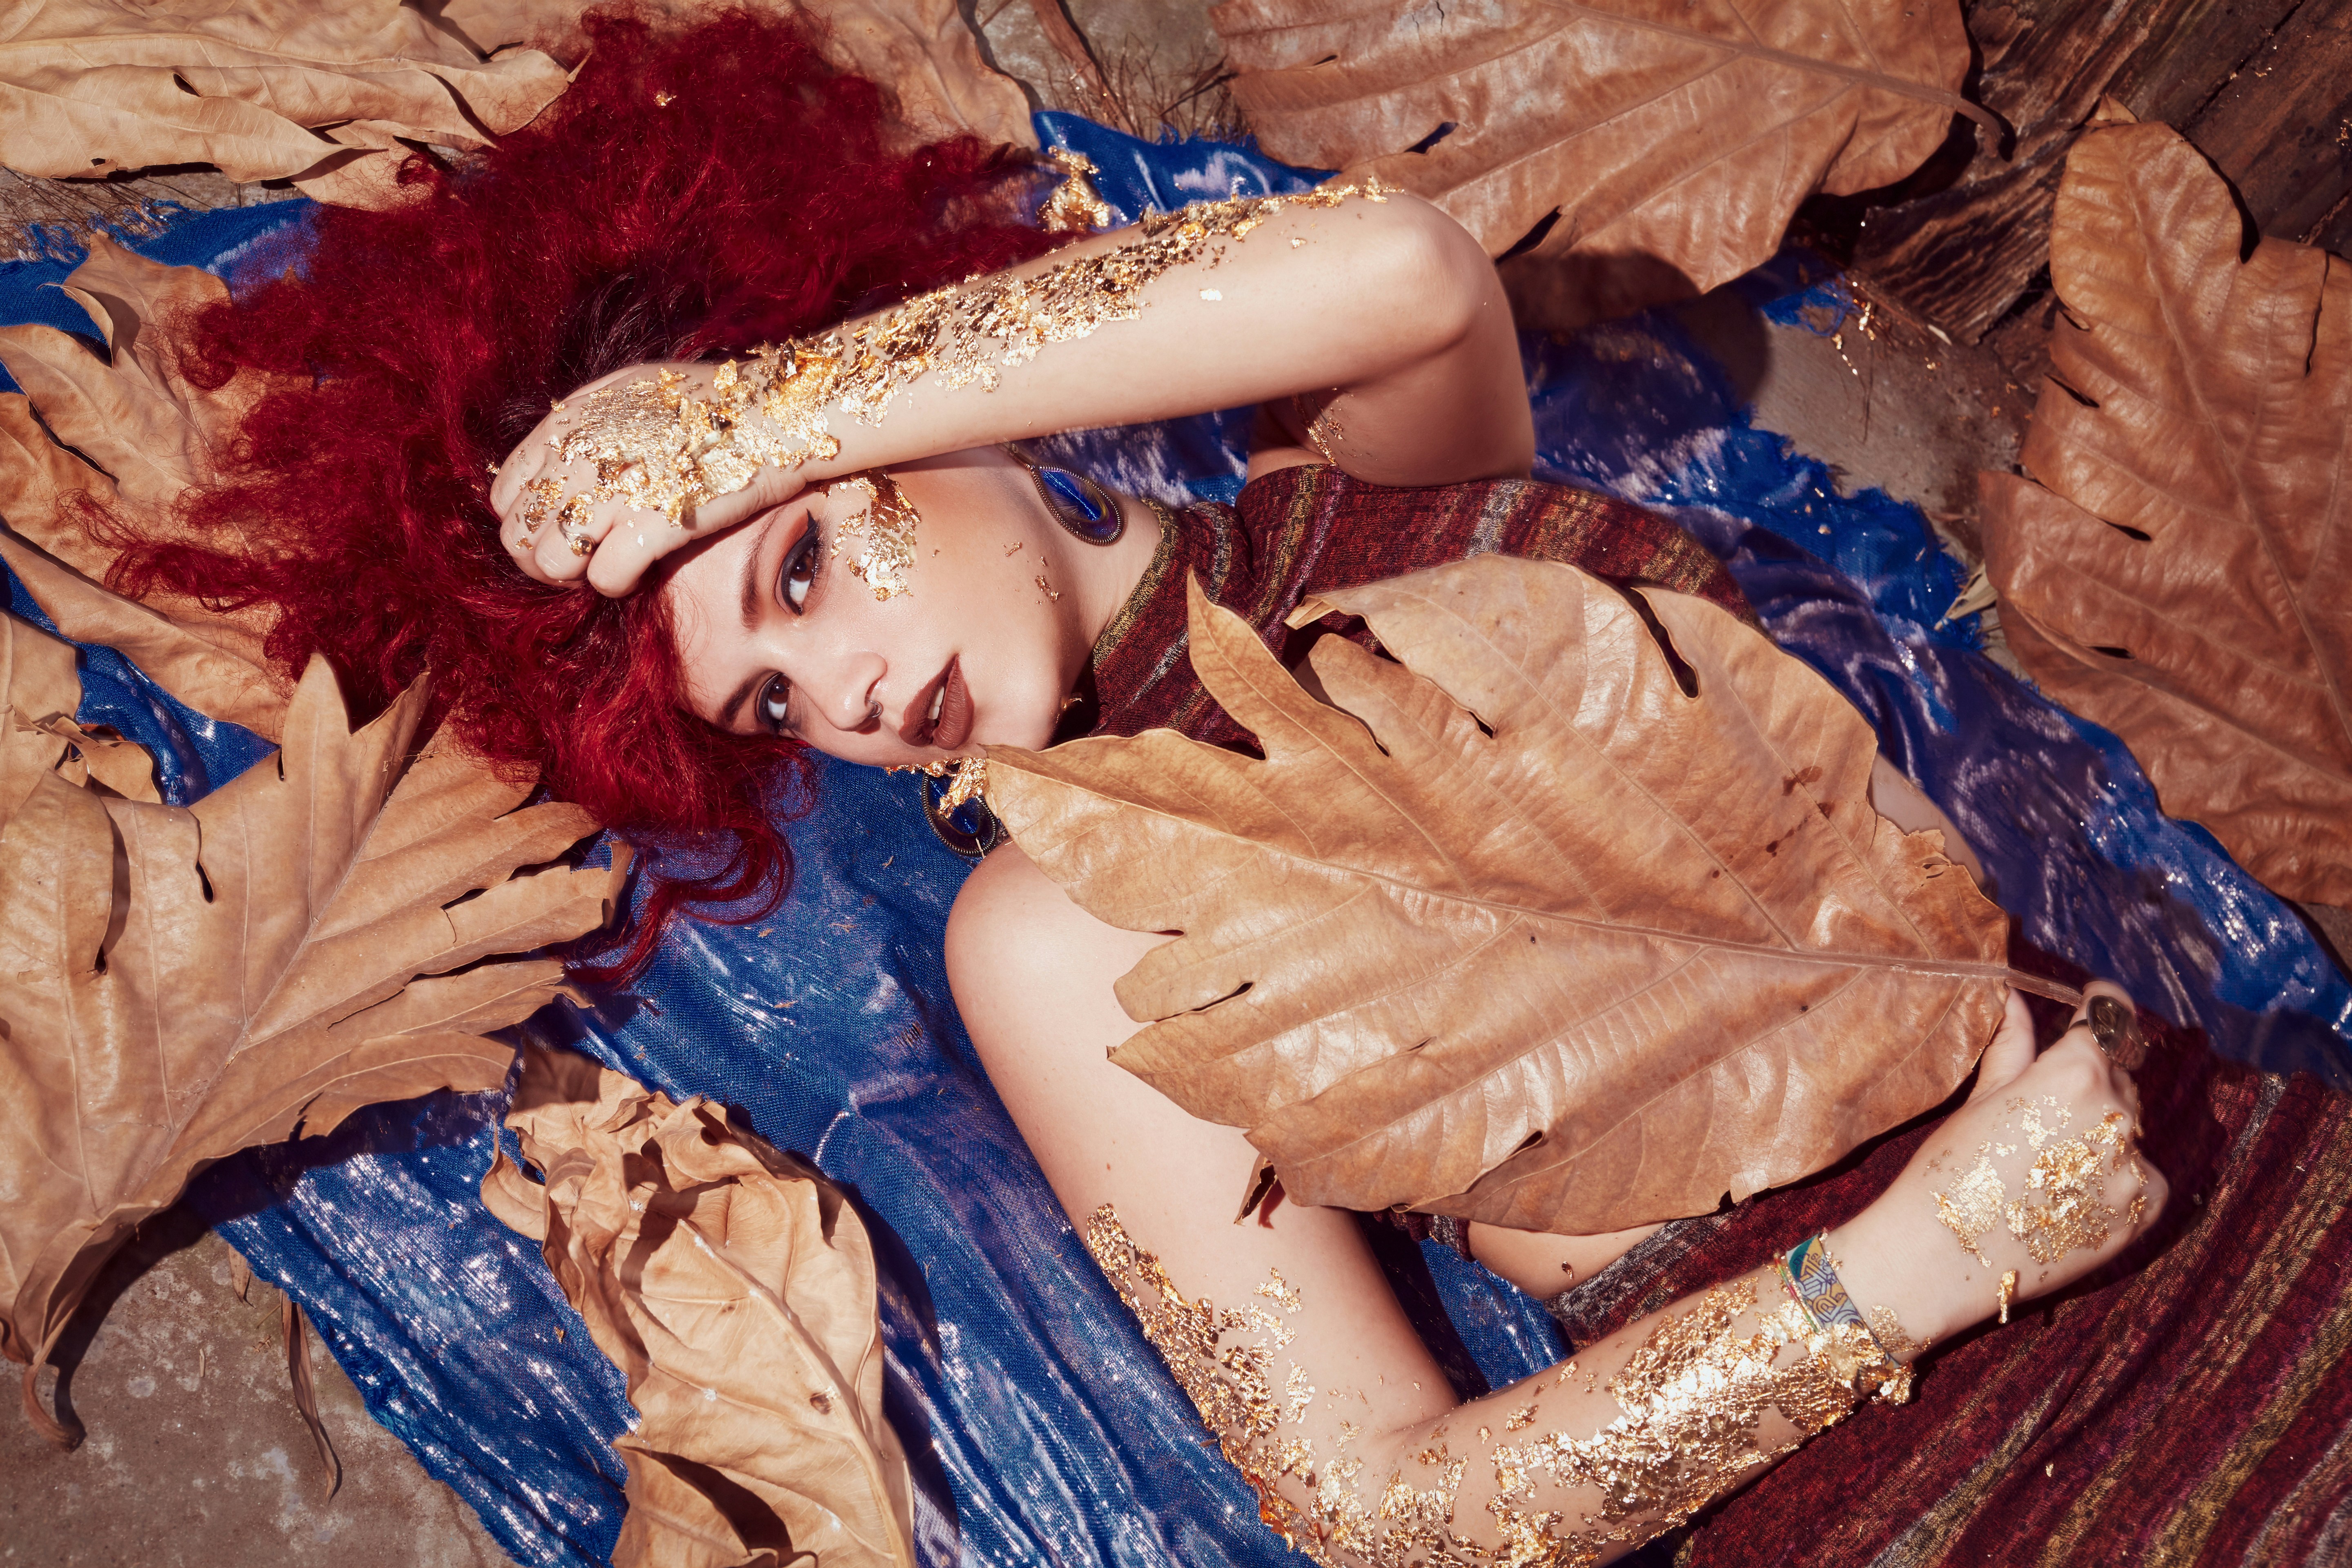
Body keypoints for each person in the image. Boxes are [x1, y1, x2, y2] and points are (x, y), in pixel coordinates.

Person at [116, 9, 2337, 1565]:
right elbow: (1379, 1504)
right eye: (774, 707)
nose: (853, 688)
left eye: (802, 564)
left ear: (878, 382)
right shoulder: (1063, 931)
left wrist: (751, 417)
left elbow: (1396, 263)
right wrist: (1898, 1282)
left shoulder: (1378, 483)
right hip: (1964, 1476)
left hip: (2265, 1200)